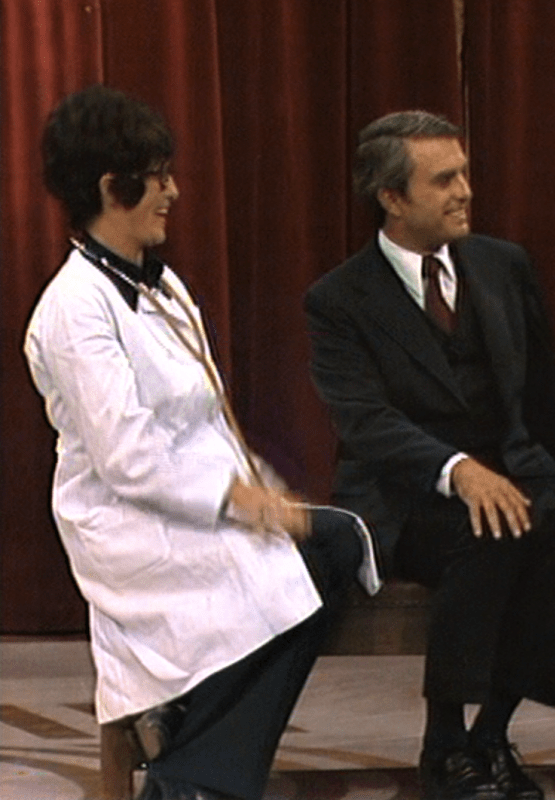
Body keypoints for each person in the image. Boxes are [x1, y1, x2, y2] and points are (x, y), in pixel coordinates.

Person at [24, 85, 377, 800]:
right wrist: (239, 503)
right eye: (158, 176)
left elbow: (209, 418)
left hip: (199, 503)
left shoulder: (162, 286)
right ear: (112, 187)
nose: (174, 193)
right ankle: (199, 775)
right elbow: (128, 458)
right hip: (132, 523)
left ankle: (189, 765)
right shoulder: (73, 311)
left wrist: (261, 493)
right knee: (292, 573)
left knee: (336, 544)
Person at [304, 110, 555, 800]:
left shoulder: (503, 265)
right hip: (407, 495)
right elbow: (366, 421)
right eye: (444, 181)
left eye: (464, 174)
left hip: (513, 471)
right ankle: (443, 740)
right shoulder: (338, 299)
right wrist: (458, 471)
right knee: (492, 528)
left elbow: (544, 393)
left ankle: (489, 733)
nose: (466, 191)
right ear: (392, 197)